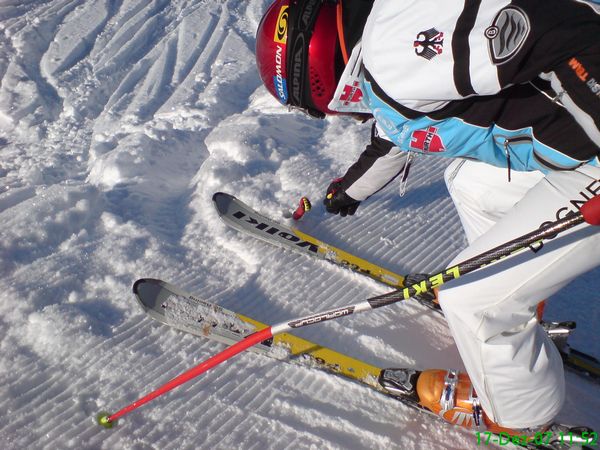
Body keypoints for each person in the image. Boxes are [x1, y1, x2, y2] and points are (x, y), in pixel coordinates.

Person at [255, 0, 600, 437]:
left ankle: (518, 412)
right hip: (579, 152)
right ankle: (514, 297)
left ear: (314, 79)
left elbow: (560, 28)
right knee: (469, 181)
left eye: (312, 108)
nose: (329, 115)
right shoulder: (386, 61)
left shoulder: (392, 49)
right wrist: (347, 192)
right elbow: (394, 136)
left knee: (470, 298)